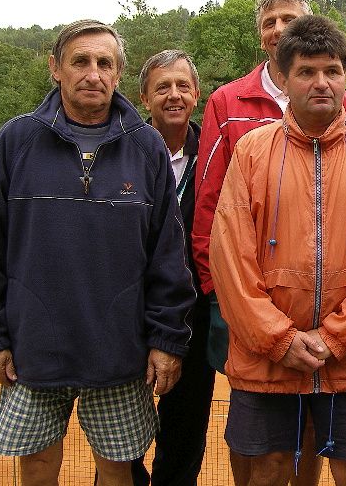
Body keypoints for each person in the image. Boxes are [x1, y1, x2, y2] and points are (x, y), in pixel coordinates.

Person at [0, 20, 195, 486]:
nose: (93, 74)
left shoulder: (146, 146)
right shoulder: (15, 141)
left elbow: (168, 256)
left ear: (118, 73)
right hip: (31, 352)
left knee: (117, 469)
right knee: (37, 467)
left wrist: (167, 340)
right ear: (55, 68)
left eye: (105, 63)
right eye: (80, 61)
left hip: (120, 354)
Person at [209, 15, 346, 486]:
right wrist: (279, 339)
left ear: (345, 76)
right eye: (306, 71)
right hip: (266, 360)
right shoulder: (251, 151)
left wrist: (336, 338)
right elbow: (231, 258)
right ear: (283, 79)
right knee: (269, 471)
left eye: (332, 71)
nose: (321, 82)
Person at [193, 0, 346, 485]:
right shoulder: (227, 101)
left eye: (289, 19)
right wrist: (218, 290)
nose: (278, 28)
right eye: (269, 21)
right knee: (255, 433)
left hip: (331, 309)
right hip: (245, 298)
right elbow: (211, 203)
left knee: (312, 430)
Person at [128, 50, 214, 485]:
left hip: (195, 314)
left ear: (197, 94)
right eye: (162, 87)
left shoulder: (215, 153)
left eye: (183, 86)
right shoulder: (122, 150)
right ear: (145, 98)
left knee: (185, 430)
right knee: (120, 435)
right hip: (129, 313)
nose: (174, 95)